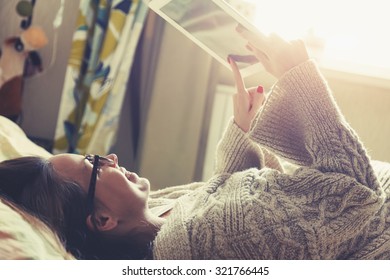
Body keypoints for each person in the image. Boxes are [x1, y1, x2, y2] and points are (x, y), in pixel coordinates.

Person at [1, 26, 390, 260]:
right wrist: (299, 76)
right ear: (102, 220)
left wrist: (241, 129)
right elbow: (354, 196)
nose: (112, 157)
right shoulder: (206, 242)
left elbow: (227, 197)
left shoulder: (152, 218)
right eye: (95, 165)